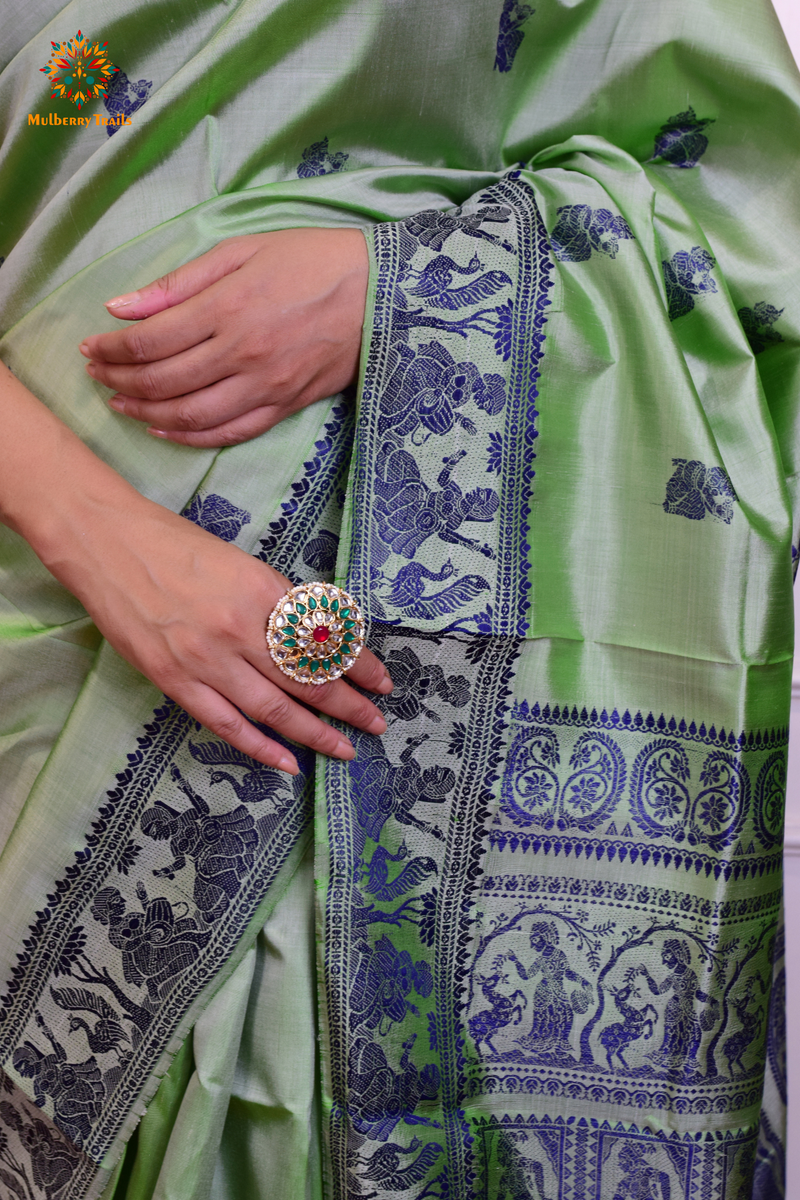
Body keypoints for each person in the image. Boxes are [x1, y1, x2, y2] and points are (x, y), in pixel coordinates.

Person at [0, 1, 798, 1198]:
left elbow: (748, 213)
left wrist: (414, 285)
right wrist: (105, 540)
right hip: (57, 630)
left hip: (486, 641)